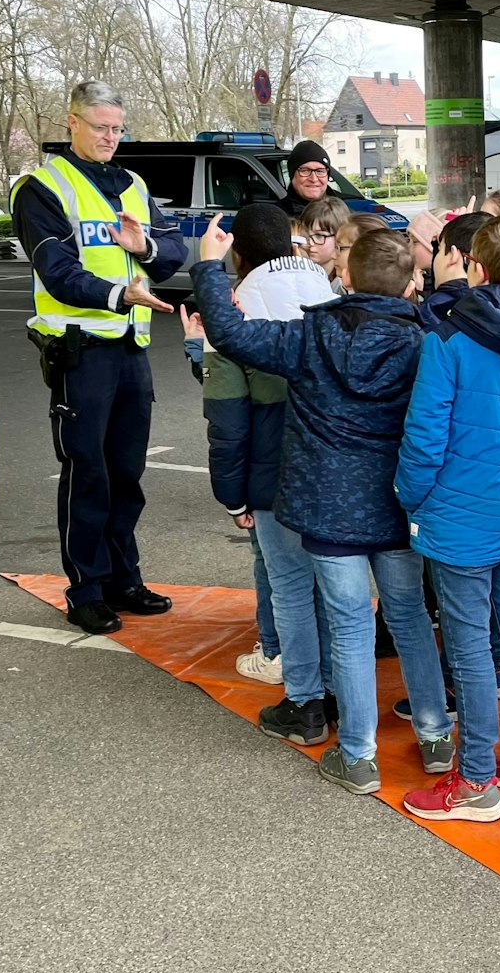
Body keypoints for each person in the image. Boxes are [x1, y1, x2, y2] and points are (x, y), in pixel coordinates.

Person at [190, 223, 452, 793]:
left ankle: (358, 755)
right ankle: (436, 734)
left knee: (351, 625)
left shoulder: (311, 336)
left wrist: (210, 265)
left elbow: (231, 334)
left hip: (329, 508)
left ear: (346, 277)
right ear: (411, 284)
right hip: (399, 503)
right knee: (408, 616)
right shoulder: (426, 341)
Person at [397, 214, 500, 821]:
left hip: (460, 515)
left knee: (469, 648)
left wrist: (410, 497)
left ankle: (475, 782)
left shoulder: (448, 341)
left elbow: (424, 436)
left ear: (477, 268)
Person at [11, 81, 187, 634]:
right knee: (88, 472)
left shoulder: (133, 185)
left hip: (131, 350)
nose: (111, 137)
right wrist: (120, 295)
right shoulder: (41, 189)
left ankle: (123, 579)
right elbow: (57, 271)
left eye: (117, 128)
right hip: (82, 351)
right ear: (73, 124)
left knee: (127, 472)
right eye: (100, 127)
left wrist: (146, 249)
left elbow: (172, 251)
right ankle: (85, 588)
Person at [194, 204, 340, 711]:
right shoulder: (328, 289)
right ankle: (334, 682)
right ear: (293, 241)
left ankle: (298, 686)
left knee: (288, 580)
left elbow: (229, 423)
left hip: (272, 468)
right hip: (335, 463)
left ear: (237, 254)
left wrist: (232, 498)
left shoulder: (235, 306)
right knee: (331, 582)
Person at [296, 195, 349, 281]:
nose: (309, 243)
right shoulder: (293, 273)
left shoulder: (347, 283)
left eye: (319, 236)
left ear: (340, 237)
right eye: (304, 233)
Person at [282, 140, 335, 216]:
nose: (314, 179)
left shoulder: (344, 214)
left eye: (320, 171)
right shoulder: (278, 218)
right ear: (292, 175)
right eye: (305, 171)